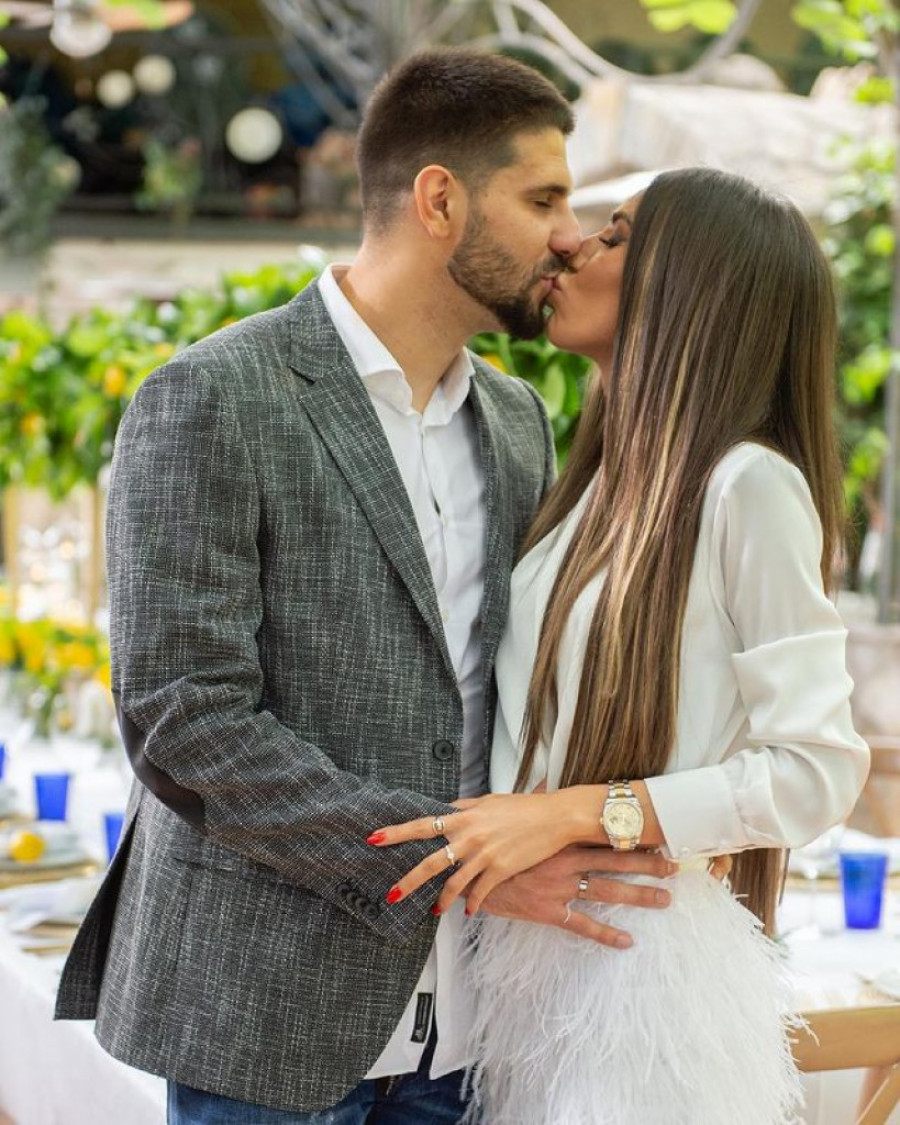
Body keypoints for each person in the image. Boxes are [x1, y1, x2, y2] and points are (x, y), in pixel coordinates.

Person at [54, 48, 678, 1125]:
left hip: (475, 1030)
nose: (568, 236)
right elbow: (183, 718)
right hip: (264, 1024)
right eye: (543, 199)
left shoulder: (521, 421)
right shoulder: (211, 396)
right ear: (440, 200)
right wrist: (459, 863)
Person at [370, 168, 871, 1124]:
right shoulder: (596, 484)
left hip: (639, 983)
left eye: (616, 235)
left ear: (691, 284)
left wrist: (578, 812)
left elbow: (816, 770)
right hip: (530, 973)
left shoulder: (747, 486)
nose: (573, 245)